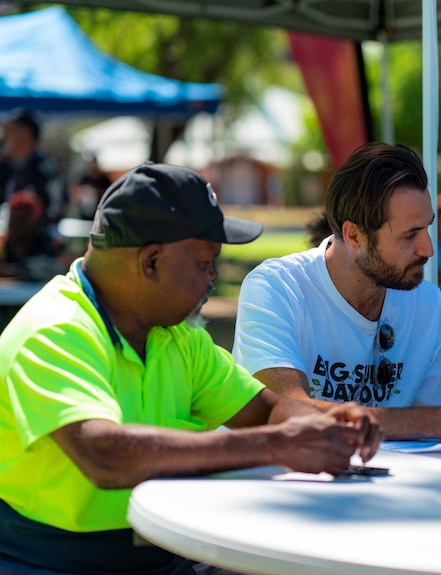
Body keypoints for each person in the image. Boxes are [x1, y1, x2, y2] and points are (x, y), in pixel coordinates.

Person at [0, 162, 380, 575]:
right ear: (151, 262)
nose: (213, 277)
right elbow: (103, 454)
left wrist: (325, 422)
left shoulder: (175, 335)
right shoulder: (55, 329)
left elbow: (267, 410)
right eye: (204, 263)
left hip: (159, 554)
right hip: (50, 563)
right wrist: (278, 444)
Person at [233, 142, 441, 442]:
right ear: (354, 235)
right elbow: (288, 413)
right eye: (410, 235)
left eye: (428, 228)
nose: (428, 249)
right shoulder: (277, 287)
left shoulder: (425, 301)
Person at [306, 210, 441, 393]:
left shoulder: (429, 305)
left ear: (354, 238)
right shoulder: (298, 303)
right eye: (325, 261)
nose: (427, 250)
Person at [1, 109, 67, 278]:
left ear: (26, 133)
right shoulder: (17, 169)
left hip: (39, 259)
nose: (5, 137)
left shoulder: (44, 169)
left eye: (10, 131)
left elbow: (57, 208)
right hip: (18, 257)